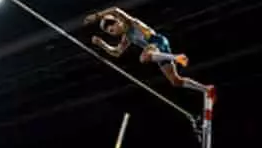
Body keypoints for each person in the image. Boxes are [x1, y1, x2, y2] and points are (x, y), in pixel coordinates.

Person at [85, 7, 213, 94]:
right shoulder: (126, 37)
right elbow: (117, 52)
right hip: (155, 52)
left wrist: (97, 16)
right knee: (175, 81)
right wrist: (102, 44)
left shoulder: (131, 22)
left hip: (157, 41)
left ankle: (177, 57)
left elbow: (116, 10)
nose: (113, 33)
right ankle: (206, 89)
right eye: (110, 33)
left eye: (112, 30)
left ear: (117, 22)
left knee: (143, 58)